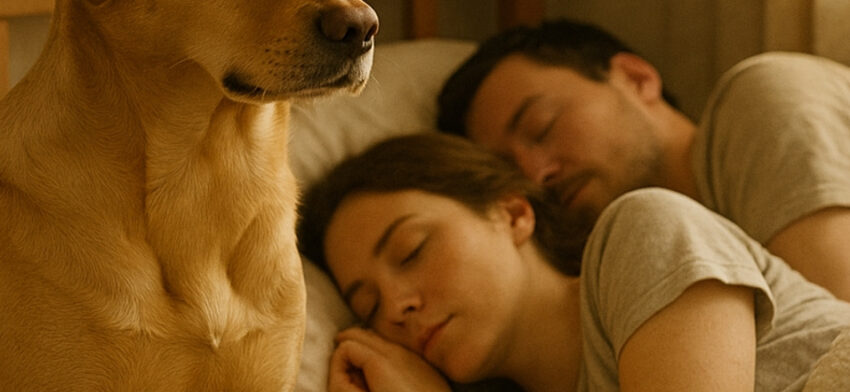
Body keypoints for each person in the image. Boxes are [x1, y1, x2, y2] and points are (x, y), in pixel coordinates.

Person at [297, 132, 850, 392]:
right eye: (367, 306)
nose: (397, 306)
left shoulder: (642, 233)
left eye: (412, 250)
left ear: (513, 213)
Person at [436, 18, 850, 301]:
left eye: (542, 127)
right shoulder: (630, 271)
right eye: (511, 171)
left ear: (636, 78)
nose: (537, 174)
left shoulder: (762, 101)